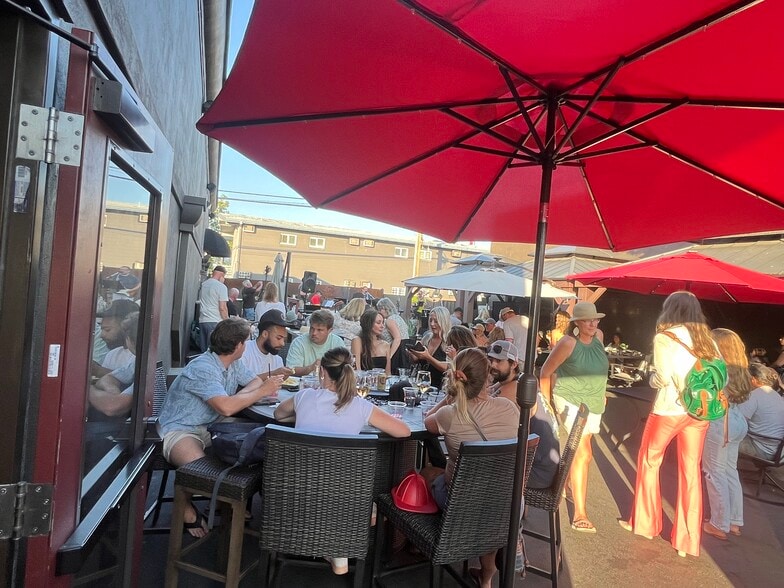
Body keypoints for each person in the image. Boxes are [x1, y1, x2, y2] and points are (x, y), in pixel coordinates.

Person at [274, 347, 409, 575]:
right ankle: (337, 541)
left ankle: (326, 542)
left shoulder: (304, 397)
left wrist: (304, 415)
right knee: (367, 501)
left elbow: (278, 414)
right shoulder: (361, 406)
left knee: (319, 483)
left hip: (295, 495)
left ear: (322, 372)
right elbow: (404, 431)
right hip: (343, 501)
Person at [158, 317, 283, 536]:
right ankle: (187, 510)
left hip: (212, 426)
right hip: (180, 428)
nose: (248, 345)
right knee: (201, 472)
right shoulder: (203, 368)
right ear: (238, 345)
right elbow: (226, 407)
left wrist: (239, 397)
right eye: (246, 341)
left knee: (255, 441)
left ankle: (224, 500)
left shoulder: (232, 363)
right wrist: (258, 393)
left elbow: (253, 381)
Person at [619, 291, 718, 557]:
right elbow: (722, 378)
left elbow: (662, 378)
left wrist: (651, 377)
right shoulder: (708, 339)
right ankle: (687, 541)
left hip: (669, 408)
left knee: (649, 460)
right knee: (691, 471)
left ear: (670, 310)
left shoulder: (665, 337)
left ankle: (645, 523)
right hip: (700, 411)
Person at [421, 348, 518, 588]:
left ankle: (437, 544)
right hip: (504, 503)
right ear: (488, 377)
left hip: (462, 504)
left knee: (426, 474)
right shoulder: (509, 408)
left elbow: (427, 420)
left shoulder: (449, 414)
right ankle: (486, 576)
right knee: (489, 503)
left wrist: (451, 397)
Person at [539, 301, 608, 533]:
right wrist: (547, 404)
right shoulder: (568, 342)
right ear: (577, 322)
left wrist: (602, 392)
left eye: (595, 318)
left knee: (581, 447)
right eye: (587, 319)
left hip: (594, 401)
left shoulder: (599, 337)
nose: (593, 323)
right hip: (569, 398)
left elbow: (598, 368)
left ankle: (566, 484)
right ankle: (580, 513)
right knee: (584, 452)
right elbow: (545, 371)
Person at [702, 328, 753, 540]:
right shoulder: (741, 367)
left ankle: (718, 523)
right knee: (730, 470)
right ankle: (734, 521)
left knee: (714, 471)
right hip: (737, 419)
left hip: (720, 421)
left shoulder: (717, 365)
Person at [488, 340, 559, 490]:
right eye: (491, 359)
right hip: (542, 466)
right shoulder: (517, 380)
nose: (492, 365)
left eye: (499, 361)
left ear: (513, 364)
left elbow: (481, 410)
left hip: (536, 472)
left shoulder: (515, 388)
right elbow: (488, 392)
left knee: (480, 472)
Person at [89, 312, 140, 417]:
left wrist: (86, 389)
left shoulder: (148, 368)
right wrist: (113, 391)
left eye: (108, 329)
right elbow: (109, 378)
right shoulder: (136, 363)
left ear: (130, 340)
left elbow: (112, 407)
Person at [739, 363, 784, 459]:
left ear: (753, 380)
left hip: (761, 449)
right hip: (778, 451)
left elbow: (738, 421)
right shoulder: (776, 395)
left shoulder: (754, 395)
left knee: (722, 437)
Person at [285, 309, 345, 376]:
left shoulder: (337, 343)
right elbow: (291, 370)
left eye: (319, 330)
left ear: (329, 331)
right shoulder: (299, 343)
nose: (314, 333)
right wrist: (310, 368)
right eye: (312, 328)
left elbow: (344, 369)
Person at [92, 299, 140, 377]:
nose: (102, 335)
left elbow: (132, 380)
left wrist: (97, 370)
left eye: (107, 330)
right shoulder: (112, 354)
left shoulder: (137, 355)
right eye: (102, 329)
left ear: (125, 325)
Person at [241, 309, 296, 378]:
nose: (282, 344)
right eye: (278, 338)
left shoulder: (277, 360)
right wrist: (273, 374)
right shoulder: (243, 351)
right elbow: (241, 382)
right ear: (265, 334)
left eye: (284, 340)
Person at [407, 306, 451, 390]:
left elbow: (448, 368)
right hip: (421, 384)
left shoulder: (449, 341)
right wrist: (412, 353)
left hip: (439, 388)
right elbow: (416, 361)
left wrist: (428, 357)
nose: (432, 324)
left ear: (444, 322)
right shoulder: (427, 338)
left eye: (436, 321)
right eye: (430, 320)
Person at [198, 265, 229, 352]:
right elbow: (222, 308)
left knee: (204, 352)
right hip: (215, 321)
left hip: (203, 320)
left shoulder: (204, 284)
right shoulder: (221, 287)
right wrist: (227, 322)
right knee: (214, 351)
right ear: (222, 275)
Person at [351, 309, 391, 373]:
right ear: (368, 324)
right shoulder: (357, 341)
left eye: (383, 323)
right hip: (363, 378)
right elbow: (356, 369)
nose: (382, 326)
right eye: (378, 323)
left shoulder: (386, 345)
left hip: (382, 379)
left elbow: (388, 373)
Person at [376, 297, 409, 371]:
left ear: (385, 308)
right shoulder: (398, 318)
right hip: (404, 350)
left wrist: (389, 356)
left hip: (397, 352)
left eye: (380, 309)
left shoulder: (389, 320)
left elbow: (397, 338)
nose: (379, 312)